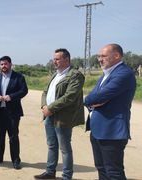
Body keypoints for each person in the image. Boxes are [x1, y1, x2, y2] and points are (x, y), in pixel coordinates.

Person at [84, 44, 136, 180]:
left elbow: (97, 96)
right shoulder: (106, 74)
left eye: (103, 56)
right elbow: (94, 96)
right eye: (99, 56)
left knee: (113, 172)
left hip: (112, 131)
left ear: (117, 56)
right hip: (98, 130)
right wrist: (93, 101)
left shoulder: (124, 73)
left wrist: (91, 100)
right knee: (101, 169)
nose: (100, 59)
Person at [34, 49, 85, 180]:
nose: (54, 61)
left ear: (67, 60)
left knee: (64, 148)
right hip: (49, 116)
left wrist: (50, 108)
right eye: (54, 59)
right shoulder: (55, 75)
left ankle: (67, 176)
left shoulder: (75, 75)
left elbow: (70, 96)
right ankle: (50, 172)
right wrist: (44, 106)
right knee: (51, 145)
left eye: (57, 59)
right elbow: (45, 92)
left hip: (63, 118)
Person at [0, 56, 28, 170]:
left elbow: (24, 90)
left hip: (13, 112)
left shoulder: (18, 77)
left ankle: (15, 160)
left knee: (13, 137)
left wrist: (11, 96)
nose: (3, 66)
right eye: (1, 64)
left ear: (10, 64)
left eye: (5, 64)